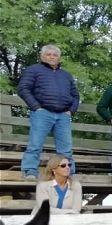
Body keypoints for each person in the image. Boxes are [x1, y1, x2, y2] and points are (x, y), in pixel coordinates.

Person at [18, 45, 80, 180]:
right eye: (49, 54)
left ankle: (69, 173)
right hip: (42, 112)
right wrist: (36, 107)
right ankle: (30, 171)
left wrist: (70, 111)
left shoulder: (66, 75)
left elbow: (75, 95)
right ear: (42, 57)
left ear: (59, 58)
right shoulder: (34, 70)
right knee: (35, 145)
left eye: (55, 55)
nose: (52, 57)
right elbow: (23, 89)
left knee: (66, 149)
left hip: (63, 115)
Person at [31, 154, 83, 225]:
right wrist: (68, 213)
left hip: (66, 224)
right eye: (63, 165)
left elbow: (76, 210)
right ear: (53, 169)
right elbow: (45, 210)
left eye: (69, 165)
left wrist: (67, 214)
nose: (67, 167)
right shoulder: (43, 186)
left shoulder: (76, 185)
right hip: (44, 224)